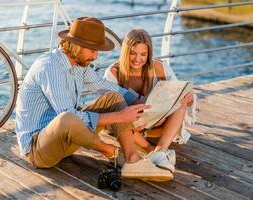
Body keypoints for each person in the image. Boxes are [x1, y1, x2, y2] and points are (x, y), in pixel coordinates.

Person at [15, 17, 173, 181]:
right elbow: (67, 117)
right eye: (92, 50)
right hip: (40, 151)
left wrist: (141, 102)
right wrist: (119, 117)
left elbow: (101, 85)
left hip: (68, 140)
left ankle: (132, 160)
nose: (96, 56)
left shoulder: (78, 64)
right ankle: (106, 149)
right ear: (77, 46)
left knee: (113, 98)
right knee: (67, 117)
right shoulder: (50, 67)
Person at [104, 28, 194, 173]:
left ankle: (160, 151)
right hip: (132, 126)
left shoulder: (159, 68)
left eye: (143, 54)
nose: (137, 59)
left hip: (158, 124)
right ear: (125, 52)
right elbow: (111, 107)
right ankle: (149, 149)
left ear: (149, 54)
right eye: (132, 53)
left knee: (181, 104)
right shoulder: (113, 73)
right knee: (120, 117)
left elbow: (181, 95)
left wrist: (188, 98)